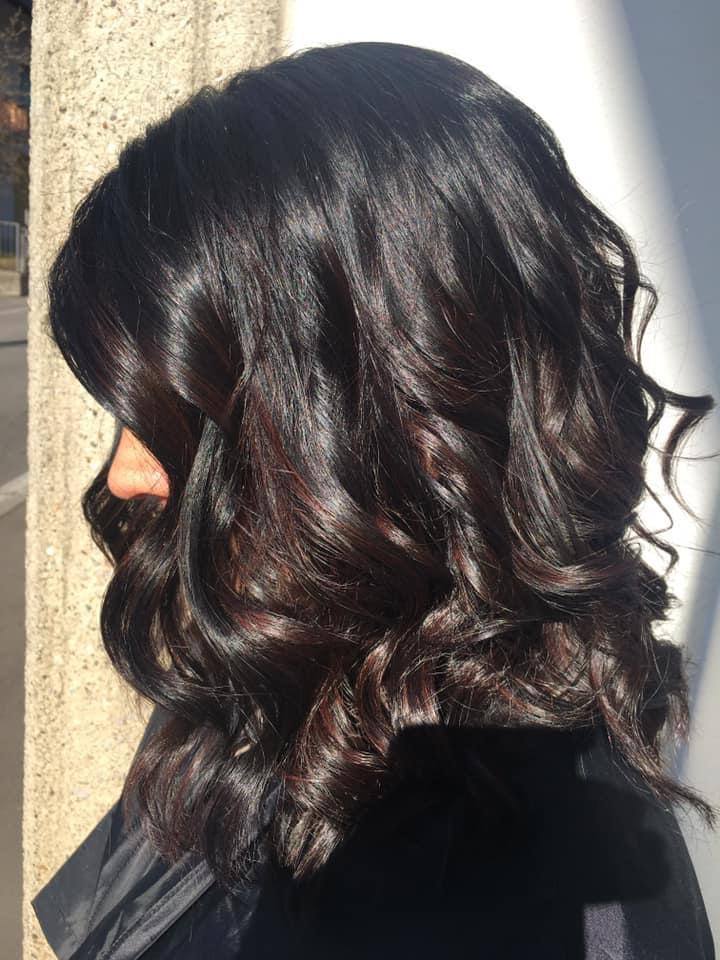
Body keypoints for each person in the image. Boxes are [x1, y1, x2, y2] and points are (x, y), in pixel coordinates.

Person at [32, 40, 716, 959]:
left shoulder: (559, 918)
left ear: (378, 419)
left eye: (181, 417)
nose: (124, 475)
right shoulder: (296, 664)